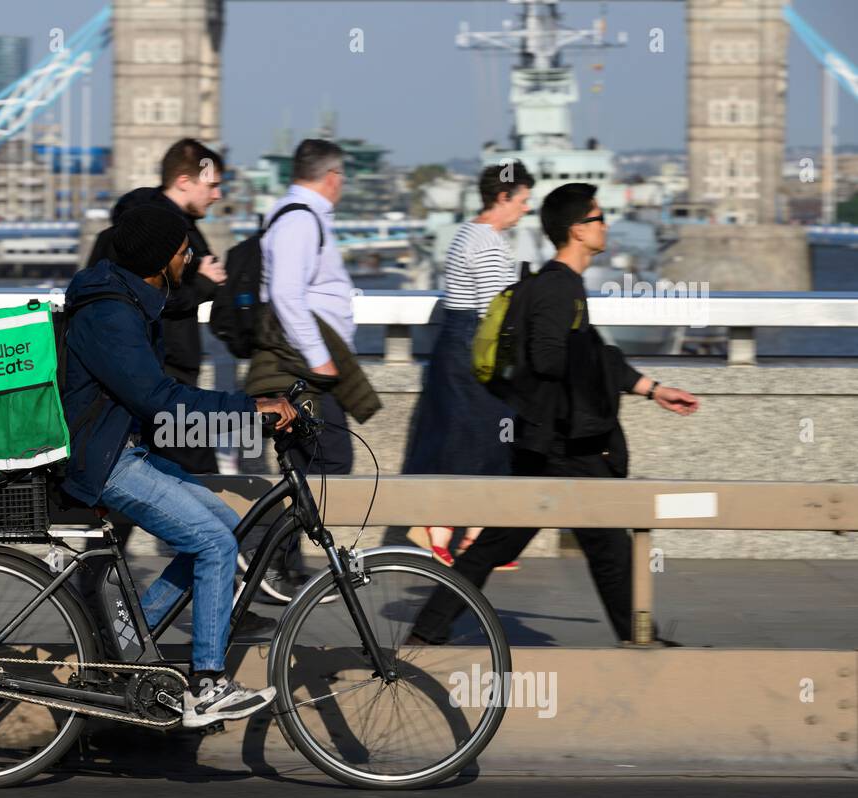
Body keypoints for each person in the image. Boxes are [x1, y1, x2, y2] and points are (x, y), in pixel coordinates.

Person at [408, 183, 700, 646]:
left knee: (499, 544)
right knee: (608, 546)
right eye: (598, 218)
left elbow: (593, 353)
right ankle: (640, 639)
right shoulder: (557, 288)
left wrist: (653, 389)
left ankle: (428, 629)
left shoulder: (565, 286)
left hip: (546, 441)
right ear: (576, 230)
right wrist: (595, 375)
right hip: (563, 444)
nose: (605, 226)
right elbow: (547, 357)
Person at [62, 203, 298, 728]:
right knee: (213, 545)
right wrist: (249, 408)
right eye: (182, 248)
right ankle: (208, 686)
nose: (189, 254)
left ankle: (128, 655)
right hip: (105, 461)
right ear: (158, 256)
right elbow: (162, 401)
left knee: (222, 526)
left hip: (122, 449)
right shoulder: (111, 314)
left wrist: (249, 408)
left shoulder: (130, 300)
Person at [245, 139, 381, 587]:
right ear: (332, 177)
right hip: (301, 372)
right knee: (332, 459)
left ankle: (278, 561)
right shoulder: (300, 220)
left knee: (303, 463)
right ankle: (270, 553)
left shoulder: (301, 217)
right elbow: (286, 294)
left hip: (298, 369)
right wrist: (321, 359)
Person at [404, 161, 534, 569]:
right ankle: (449, 531)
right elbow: (497, 313)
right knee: (485, 437)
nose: (526, 209)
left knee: (465, 438)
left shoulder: (465, 233)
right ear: (503, 197)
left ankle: (462, 534)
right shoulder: (491, 243)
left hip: (454, 344)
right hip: (477, 349)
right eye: (523, 200)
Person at [87, 138, 228, 475]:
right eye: (212, 185)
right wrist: (205, 283)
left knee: (144, 482)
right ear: (184, 181)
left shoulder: (148, 226)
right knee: (199, 480)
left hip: (149, 376)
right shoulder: (161, 234)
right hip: (164, 377)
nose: (218, 194)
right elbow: (154, 297)